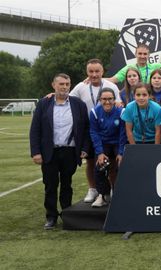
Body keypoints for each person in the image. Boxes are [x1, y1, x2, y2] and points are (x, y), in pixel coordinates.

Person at [30, 73, 90, 229]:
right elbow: (35, 129)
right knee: (50, 185)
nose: (64, 87)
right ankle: (51, 217)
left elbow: (85, 129)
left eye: (67, 84)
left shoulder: (78, 104)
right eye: (61, 84)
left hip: (70, 151)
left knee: (67, 184)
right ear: (53, 85)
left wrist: (84, 148)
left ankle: (67, 213)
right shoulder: (44, 104)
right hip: (49, 152)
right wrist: (35, 152)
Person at [69, 58, 121, 203]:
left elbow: (117, 103)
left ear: (102, 71)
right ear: (87, 72)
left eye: (97, 71)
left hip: (108, 130)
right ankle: (93, 189)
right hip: (89, 129)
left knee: (111, 162)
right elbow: (68, 98)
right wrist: (54, 94)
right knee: (91, 161)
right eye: (91, 71)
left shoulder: (111, 86)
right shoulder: (81, 86)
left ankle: (111, 188)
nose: (94, 74)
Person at [89, 88, 127, 207]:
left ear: (114, 99)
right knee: (100, 166)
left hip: (117, 143)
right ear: (99, 100)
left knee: (123, 165)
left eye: (110, 99)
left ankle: (119, 193)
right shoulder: (94, 112)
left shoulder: (121, 112)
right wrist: (100, 152)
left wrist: (121, 153)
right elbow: (94, 132)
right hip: (104, 144)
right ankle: (102, 195)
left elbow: (123, 133)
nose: (107, 102)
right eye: (104, 99)